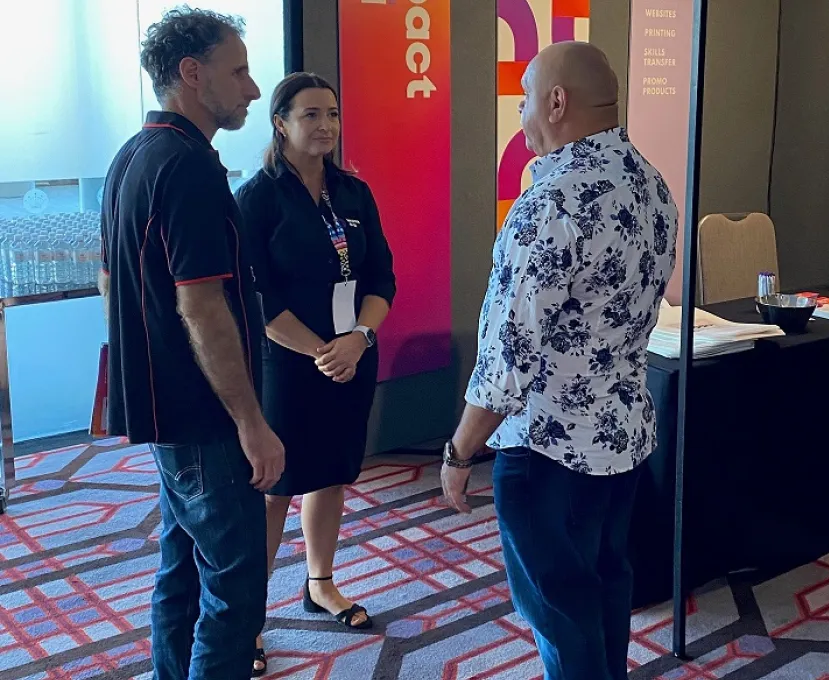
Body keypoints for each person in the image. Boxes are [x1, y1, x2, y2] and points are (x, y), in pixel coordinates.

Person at [440, 42, 678, 680]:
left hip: (548, 453)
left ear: (556, 101)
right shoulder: (651, 185)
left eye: (523, 98)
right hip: (622, 439)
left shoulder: (550, 205)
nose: (520, 114)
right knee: (605, 584)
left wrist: (460, 453)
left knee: (560, 610)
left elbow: (505, 357)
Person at [98, 7, 283, 680]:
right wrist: (251, 422)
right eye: (238, 72)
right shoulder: (190, 169)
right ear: (191, 73)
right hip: (206, 419)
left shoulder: (132, 157)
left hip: (167, 411)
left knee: (180, 574)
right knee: (235, 594)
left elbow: (110, 280)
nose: (253, 89)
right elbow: (201, 306)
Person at [234, 72, 396, 676]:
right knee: (276, 486)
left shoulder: (354, 193)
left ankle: (320, 583)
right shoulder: (257, 199)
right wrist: (320, 350)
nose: (325, 125)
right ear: (281, 123)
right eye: (310, 115)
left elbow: (382, 278)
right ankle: (246, 617)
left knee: (331, 475)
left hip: (351, 356)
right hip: (289, 364)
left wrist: (357, 339)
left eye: (332, 114)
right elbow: (257, 298)